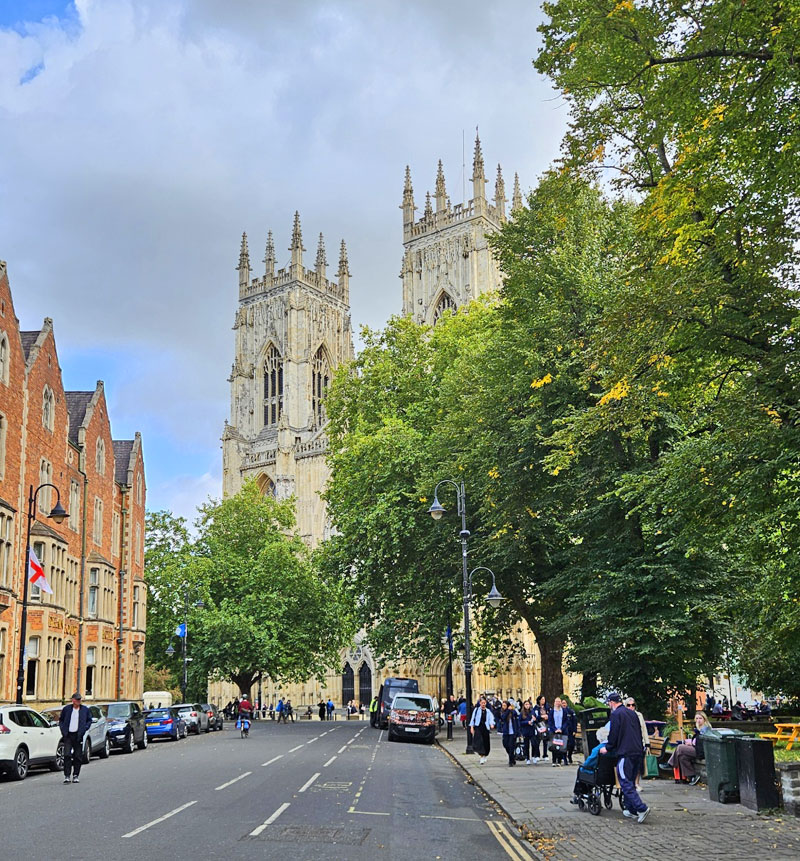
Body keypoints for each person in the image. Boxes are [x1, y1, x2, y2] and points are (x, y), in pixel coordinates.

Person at [600, 693, 650, 823]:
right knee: (631, 780)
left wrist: (608, 747)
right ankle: (630, 809)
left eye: (609, 703)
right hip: (637, 751)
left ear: (611, 702)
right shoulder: (632, 713)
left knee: (624, 781)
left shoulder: (616, 714)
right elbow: (638, 732)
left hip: (625, 752)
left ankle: (641, 808)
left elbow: (614, 733)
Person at [668, 711, 711, 785]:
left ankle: (670, 764)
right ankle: (692, 776)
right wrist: (691, 742)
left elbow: (701, 742)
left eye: (700, 718)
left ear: (704, 719)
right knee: (682, 757)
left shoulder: (705, 729)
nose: (698, 720)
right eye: (697, 718)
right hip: (696, 748)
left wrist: (692, 743)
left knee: (680, 747)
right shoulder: (699, 729)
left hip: (701, 751)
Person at [59, 692, 92, 784]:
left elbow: (89, 720)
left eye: (80, 699)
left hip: (78, 735)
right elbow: (61, 720)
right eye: (77, 700)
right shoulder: (67, 709)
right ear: (73, 700)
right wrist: (63, 730)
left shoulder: (84, 710)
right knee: (67, 755)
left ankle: (76, 775)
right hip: (68, 735)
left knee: (77, 756)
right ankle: (67, 775)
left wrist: (84, 728)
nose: (79, 701)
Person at [624, 696, 649, 789]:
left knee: (638, 765)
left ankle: (636, 783)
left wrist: (647, 742)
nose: (631, 707)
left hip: (639, 743)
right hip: (628, 743)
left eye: (633, 705)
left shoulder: (639, 715)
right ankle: (629, 783)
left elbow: (644, 729)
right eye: (628, 705)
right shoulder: (623, 716)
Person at [469, 696, 496, 764]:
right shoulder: (476, 710)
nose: (483, 704)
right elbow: (473, 718)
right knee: (479, 742)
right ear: (480, 703)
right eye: (482, 703)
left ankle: (485, 755)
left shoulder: (488, 711)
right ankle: (481, 756)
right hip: (478, 727)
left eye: (484, 703)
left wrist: (492, 724)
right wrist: (472, 727)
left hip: (485, 728)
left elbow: (491, 718)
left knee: (486, 742)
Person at [548, 697, 574, 766]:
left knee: (560, 747)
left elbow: (566, 721)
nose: (558, 703)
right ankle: (554, 761)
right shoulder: (552, 711)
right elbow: (550, 722)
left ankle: (559, 761)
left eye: (559, 702)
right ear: (554, 702)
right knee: (554, 746)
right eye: (556, 701)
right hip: (554, 731)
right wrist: (555, 729)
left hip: (562, 731)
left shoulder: (564, 711)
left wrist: (561, 729)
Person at [499, 700, 521, 767]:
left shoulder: (513, 712)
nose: (503, 707)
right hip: (506, 732)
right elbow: (503, 718)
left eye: (505, 705)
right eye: (503, 706)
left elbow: (517, 721)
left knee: (511, 746)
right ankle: (512, 757)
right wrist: (508, 710)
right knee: (506, 745)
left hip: (512, 732)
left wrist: (519, 733)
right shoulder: (503, 712)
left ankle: (511, 761)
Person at [532, 696, 549, 763]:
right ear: (539, 700)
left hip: (546, 725)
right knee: (537, 741)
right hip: (539, 725)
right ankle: (537, 755)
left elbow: (550, 714)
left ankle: (545, 755)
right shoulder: (536, 708)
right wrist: (542, 716)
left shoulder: (547, 707)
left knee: (545, 740)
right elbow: (535, 717)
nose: (543, 700)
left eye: (544, 699)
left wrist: (547, 716)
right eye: (542, 699)